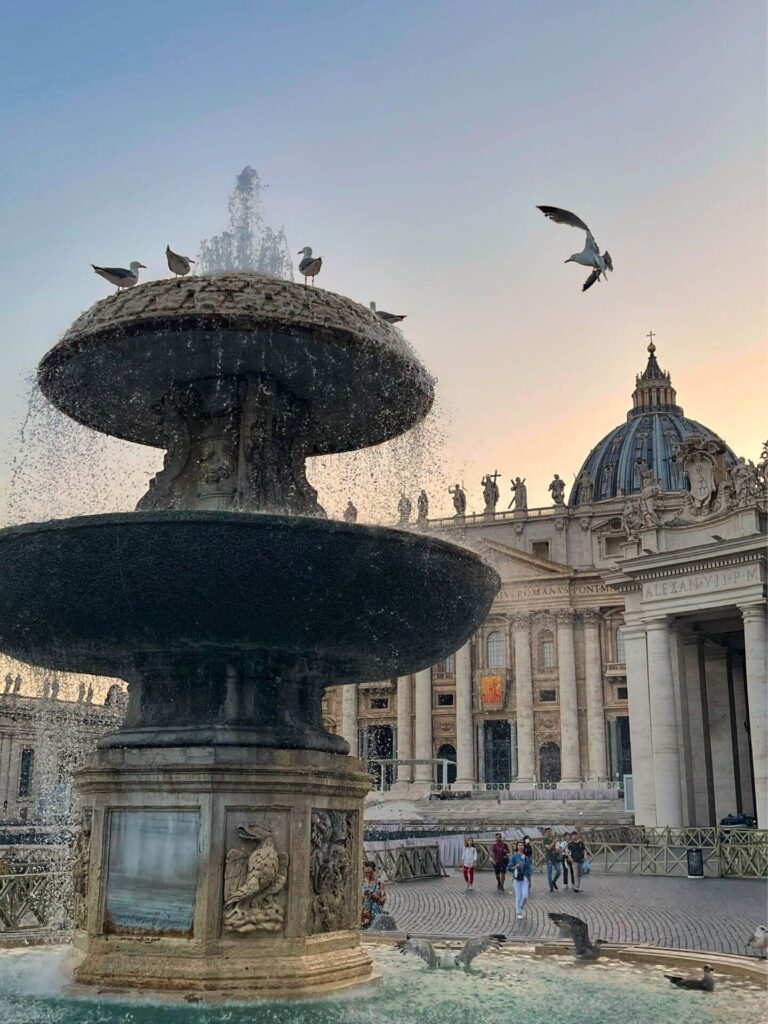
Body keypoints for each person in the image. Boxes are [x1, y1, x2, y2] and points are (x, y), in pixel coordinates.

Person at [509, 841, 532, 920]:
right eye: (519, 845)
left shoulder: (526, 857)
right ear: (517, 847)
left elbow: (529, 868)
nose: (521, 846)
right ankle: (518, 912)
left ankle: (521, 907)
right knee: (518, 896)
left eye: (522, 845)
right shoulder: (514, 857)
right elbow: (509, 867)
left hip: (524, 878)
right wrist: (516, 866)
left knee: (525, 895)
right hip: (516, 878)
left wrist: (528, 875)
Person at [361, 859, 386, 928]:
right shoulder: (362, 883)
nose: (368, 875)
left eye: (370, 872)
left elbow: (382, 901)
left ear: (374, 871)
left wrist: (376, 897)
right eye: (366, 873)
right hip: (365, 914)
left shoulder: (380, 883)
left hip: (376, 913)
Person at [543, 828, 561, 892]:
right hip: (549, 858)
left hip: (555, 858)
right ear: (545, 833)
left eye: (550, 831)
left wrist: (559, 847)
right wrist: (554, 842)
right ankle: (551, 887)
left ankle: (553, 882)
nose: (550, 833)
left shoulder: (554, 839)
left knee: (559, 871)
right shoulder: (545, 840)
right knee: (549, 873)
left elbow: (557, 849)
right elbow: (548, 848)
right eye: (548, 832)